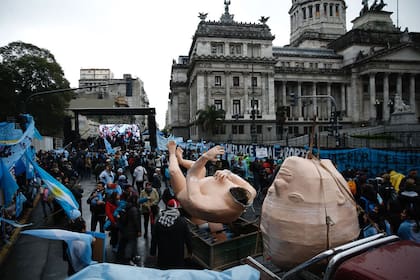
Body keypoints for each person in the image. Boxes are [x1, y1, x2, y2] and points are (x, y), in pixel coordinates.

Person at [167, 141, 256, 224]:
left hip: (185, 191)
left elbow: (192, 175)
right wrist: (227, 173)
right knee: (201, 168)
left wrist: (205, 157)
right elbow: (245, 185)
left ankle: (171, 154)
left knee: (174, 172)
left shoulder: (212, 206)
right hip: (200, 183)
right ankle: (181, 161)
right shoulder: (250, 193)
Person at [150, 198, 192, 269]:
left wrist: (153, 252)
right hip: (177, 256)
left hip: (163, 255)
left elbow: (154, 238)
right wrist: (190, 251)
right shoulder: (182, 222)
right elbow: (188, 238)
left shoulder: (159, 221)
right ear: (176, 208)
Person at [117, 193, 142, 265]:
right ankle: (128, 259)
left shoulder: (126, 206)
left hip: (125, 229)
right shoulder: (134, 209)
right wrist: (139, 230)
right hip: (131, 230)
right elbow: (136, 221)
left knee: (125, 243)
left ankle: (123, 257)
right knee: (131, 243)